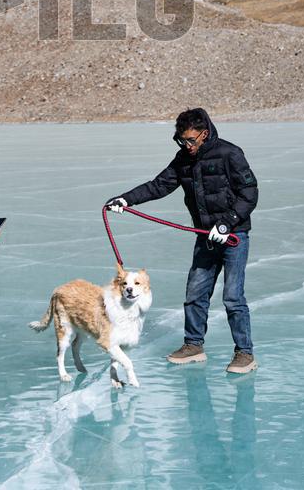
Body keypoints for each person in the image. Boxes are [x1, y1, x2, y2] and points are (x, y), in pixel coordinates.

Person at [106, 107, 258, 374]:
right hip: (205, 237)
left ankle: (244, 353)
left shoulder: (230, 154)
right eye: (181, 140)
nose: (186, 145)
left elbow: (249, 192)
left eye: (190, 140)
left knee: (233, 297)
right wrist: (126, 199)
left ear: (204, 133)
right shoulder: (183, 159)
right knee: (195, 294)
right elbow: (159, 185)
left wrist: (227, 222)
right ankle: (193, 346)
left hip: (234, 235)